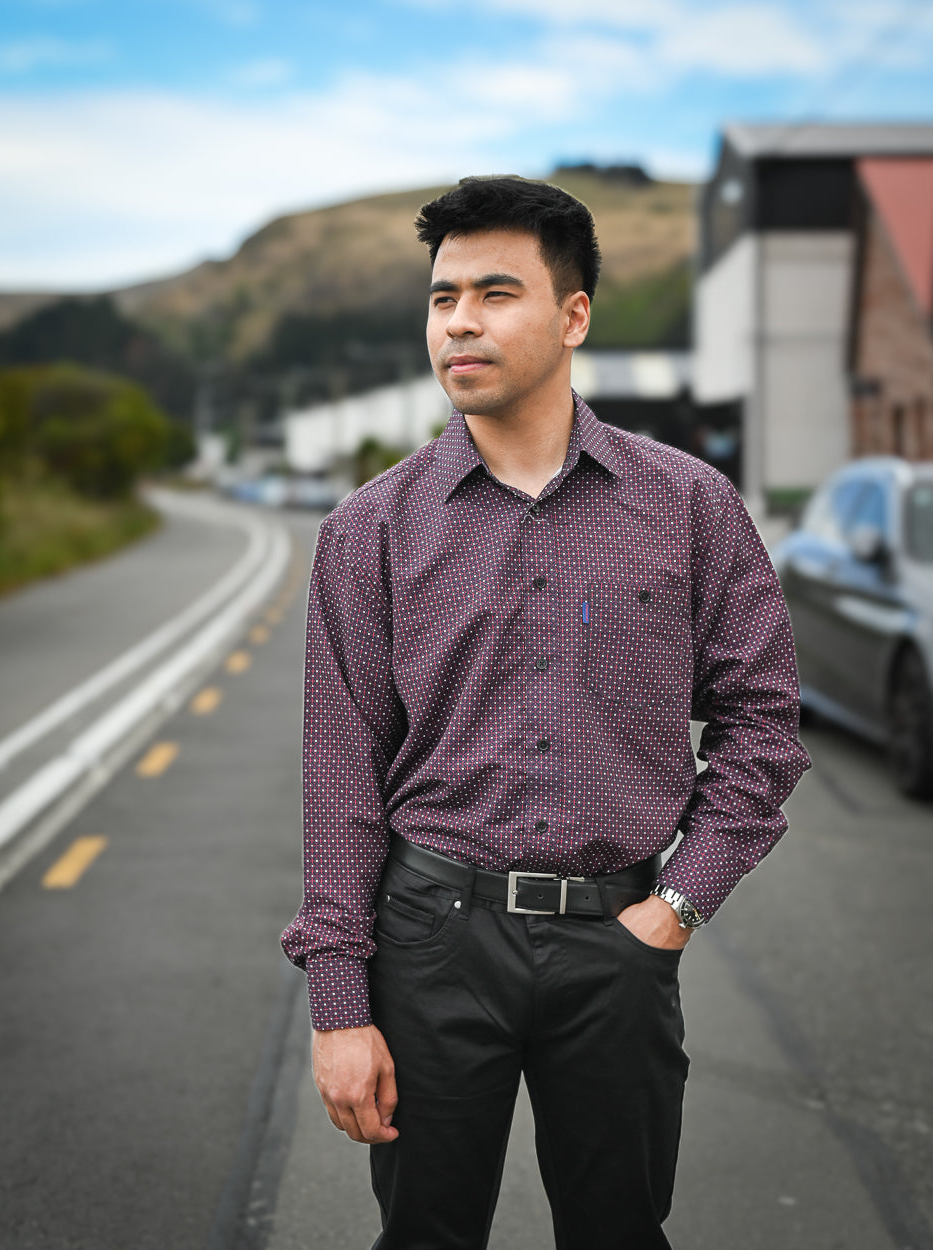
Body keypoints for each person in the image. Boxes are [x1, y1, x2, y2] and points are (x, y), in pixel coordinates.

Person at [281, 175, 810, 1250]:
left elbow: (762, 722)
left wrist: (673, 910)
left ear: (573, 316)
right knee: (425, 1232)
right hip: (431, 939)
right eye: (441, 297)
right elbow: (342, 780)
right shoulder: (366, 530)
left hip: (616, 944)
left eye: (494, 290)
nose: (459, 320)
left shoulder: (689, 506)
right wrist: (340, 1002)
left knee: (618, 1230)